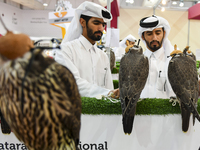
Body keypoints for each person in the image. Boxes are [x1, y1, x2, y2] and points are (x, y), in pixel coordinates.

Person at [55, 1, 119, 98]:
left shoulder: (103, 56)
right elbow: (73, 83)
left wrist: (111, 94)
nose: (101, 28)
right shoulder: (65, 50)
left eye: (103, 24)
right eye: (96, 23)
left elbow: (109, 88)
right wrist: (107, 93)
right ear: (82, 22)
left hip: (101, 113)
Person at [138, 15, 176, 99]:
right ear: (143, 37)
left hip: (169, 111)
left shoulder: (174, 60)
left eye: (158, 33)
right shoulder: (136, 62)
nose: (154, 38)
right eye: (149, 34)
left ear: (164, 34)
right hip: (140, 111)